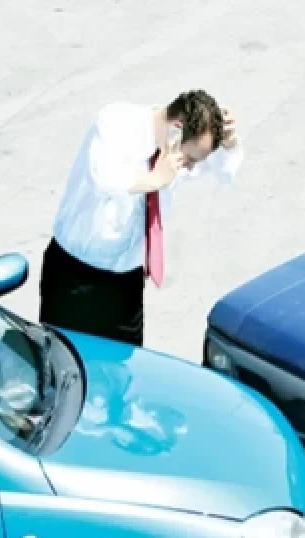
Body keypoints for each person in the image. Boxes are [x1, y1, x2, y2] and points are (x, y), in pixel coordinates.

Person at [38, 89, 243, 346]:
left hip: (127, 284)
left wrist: (230, 142)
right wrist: (154, 179)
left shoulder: (174, 153)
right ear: (176, 129)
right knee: (63, 373)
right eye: (190, 158)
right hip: (76, 278)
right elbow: (104, 179)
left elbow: (225, 173)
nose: (190, 166)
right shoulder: (116, 122)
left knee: (126, 373)